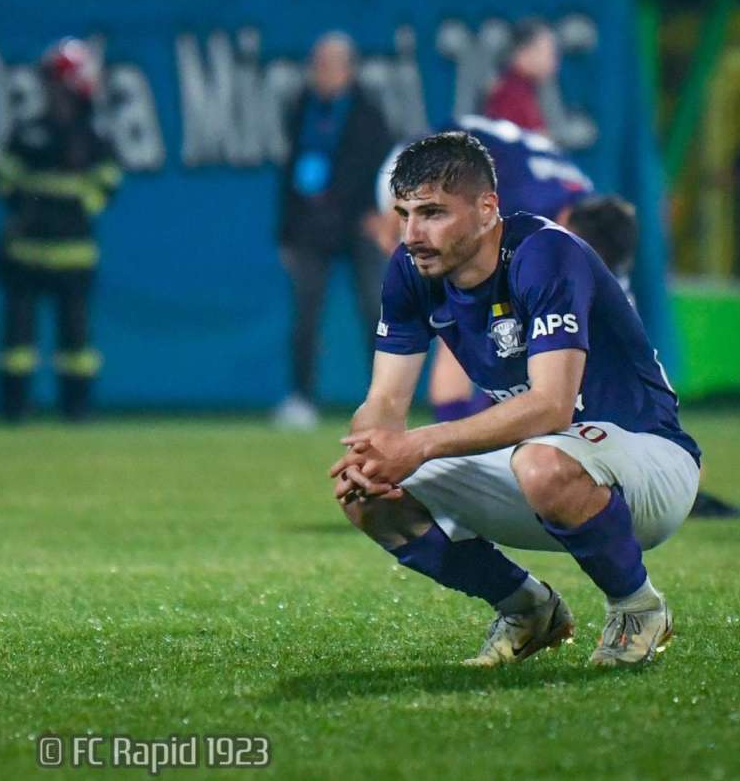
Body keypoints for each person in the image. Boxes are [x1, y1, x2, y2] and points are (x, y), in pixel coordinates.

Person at [334, 132, 699, 668]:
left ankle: (637, 607)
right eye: (404, 214)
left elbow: (551, 406)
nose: (412, 235)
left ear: (487, 209)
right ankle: (528, 609)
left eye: (432, 213)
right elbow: (385, 400)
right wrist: (369, 450)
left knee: (542, 462)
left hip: (649, 461)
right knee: (365, 494)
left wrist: (419, 444)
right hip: (542, 460)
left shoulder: (544, 254)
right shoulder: (412, 270)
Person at [370, 114, 596, 423]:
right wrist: (394, 216)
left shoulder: (560, 194)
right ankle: (452, 424)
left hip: (448, 172)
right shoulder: (533, 202)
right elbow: (441, 149)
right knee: (468, 312)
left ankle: (469, 422)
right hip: (418, 171)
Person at [0, 38, 123, 422]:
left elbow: (108, 183)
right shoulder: (29, 131)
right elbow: (1, 178)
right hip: (25, 254)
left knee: (76, 339)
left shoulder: (93, 136)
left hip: (74, 253)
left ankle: (76, 409)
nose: (48, 89)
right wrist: (26, 205)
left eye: (54, 81)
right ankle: (14, 409)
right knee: (17, 339)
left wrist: (74, 206)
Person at [275, 32, 395, 430]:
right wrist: (286, 234)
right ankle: (302, 398)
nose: (320, 72)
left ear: (348, 69)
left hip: (359, 223)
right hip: (311, 227)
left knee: (375, 311)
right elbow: (289, 174)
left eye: (328, 65)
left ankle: (384, 401)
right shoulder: (300, 108)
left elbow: (383, 169)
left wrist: (381, 214)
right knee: (305, 315)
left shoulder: (368, 113)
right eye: (317, 64)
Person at [481, 20, 558, 134]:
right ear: (523, 53)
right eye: (547, 53)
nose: (553, 61)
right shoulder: (508, 95)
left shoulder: (526, 90)